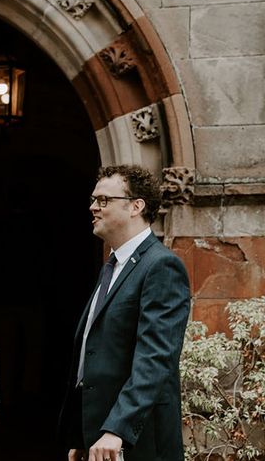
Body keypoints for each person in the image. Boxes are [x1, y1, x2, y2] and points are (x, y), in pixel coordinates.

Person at [59, 164, 191, 461]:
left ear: (136, 206)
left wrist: (117, 429)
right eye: (94, 199)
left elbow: (155, 359)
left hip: (136, 442)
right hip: (99, 436)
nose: (93, 207)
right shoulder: (113, 266)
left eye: (104, 200)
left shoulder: (160, 267)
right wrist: (83, 433)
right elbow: (95, 355)